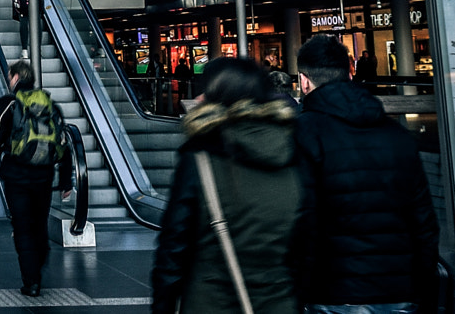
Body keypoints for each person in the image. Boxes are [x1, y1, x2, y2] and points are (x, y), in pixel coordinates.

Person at [149, 56, 311, 314]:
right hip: (279, 300)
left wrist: (163, 306)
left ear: (218, 96)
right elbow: (306, 243)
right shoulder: (293, 151)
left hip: (211, 302)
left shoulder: (201, 157)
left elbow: (174, 246)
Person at [293, 34, 438, 314]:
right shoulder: (397, 134)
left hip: (331, 293)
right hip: (399, 293)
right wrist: (424, 290)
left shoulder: (303, 133)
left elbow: (301, 221)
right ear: (350, 72)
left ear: (304, 81)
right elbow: (424, 224)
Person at [0, 59, 76, 297]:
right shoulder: (50, 104)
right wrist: (65, 181)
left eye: (9, 76)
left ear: (14, 78)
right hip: (44, 175)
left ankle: (31, 281)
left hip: (16, 176)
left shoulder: (6, 105)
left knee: (22, 228)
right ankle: (39, 264)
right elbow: (63, 143)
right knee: (39, 225)